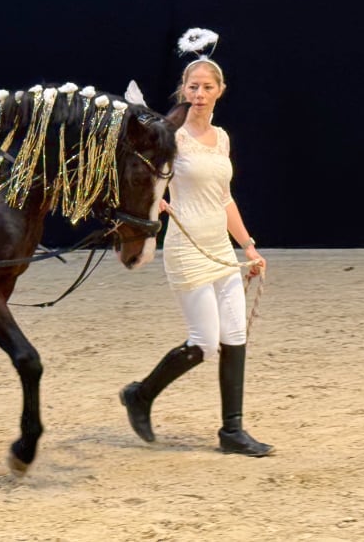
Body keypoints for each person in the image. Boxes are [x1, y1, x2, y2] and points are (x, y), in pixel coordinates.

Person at [119, 28, 273, 457]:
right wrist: (158, 202)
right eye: (193, 86)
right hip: (187, 248)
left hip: (220, 249)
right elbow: (141, 174)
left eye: (207, 87)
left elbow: (224, 198)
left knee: (236, 334)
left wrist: (248, 246)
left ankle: (232, 431)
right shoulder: (170, 136)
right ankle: (141, 394)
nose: (200, 93)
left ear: (221, 91)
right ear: (182, 90)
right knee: (204, 342)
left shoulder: (221, 138)